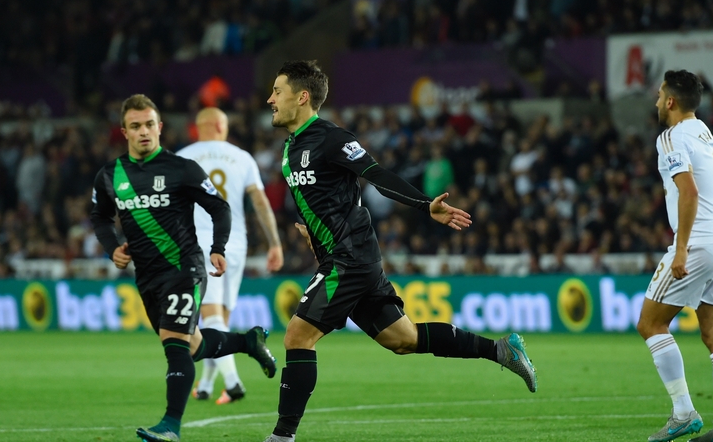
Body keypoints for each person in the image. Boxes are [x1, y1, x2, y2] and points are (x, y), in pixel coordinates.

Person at [262, 60, 538, 442]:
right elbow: (328, 199)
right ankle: (502, 350)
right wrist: (311, 231)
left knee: (297, 336)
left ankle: (282, 437)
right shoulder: (292, 147)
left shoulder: (331, 137)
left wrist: (426, 205)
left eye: (277, 91)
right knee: (403, 339)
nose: (270, 99)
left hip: (350, 257)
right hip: (345, 256)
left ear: (302, 96)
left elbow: (376, 175)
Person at [90, 94, 277, 442]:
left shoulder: (182, 168)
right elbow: (99, 216)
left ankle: (170, 426)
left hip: (185, 268)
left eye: (149, 125)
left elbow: (219, 208)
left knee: (174, 345)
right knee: (193, 345)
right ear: (124, 132)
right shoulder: (110, 175)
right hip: (146, 276)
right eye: (135, 126)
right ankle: (248, 341)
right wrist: (112, 248)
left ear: (160, 127)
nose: (144, 132)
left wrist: (217, 248)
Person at [636, 70, 713, 442]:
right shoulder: (710, 139)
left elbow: (690, 193)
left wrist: (680, 249)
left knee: (650, 324)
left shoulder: (670, 138)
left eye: (659, 95)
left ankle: (683, 412)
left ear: (670, 101)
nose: (655, 102)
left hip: (699, 244)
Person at [176, 107, 284, 405]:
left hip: (200, 244)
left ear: (199, 128)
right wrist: (274, 242)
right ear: (221, 126)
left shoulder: (182, 156)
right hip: (235, 243)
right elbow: (260, 203)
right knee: (219, 318)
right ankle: (208, 384)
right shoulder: (242, 157)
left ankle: (234, 383)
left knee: (209, 319)